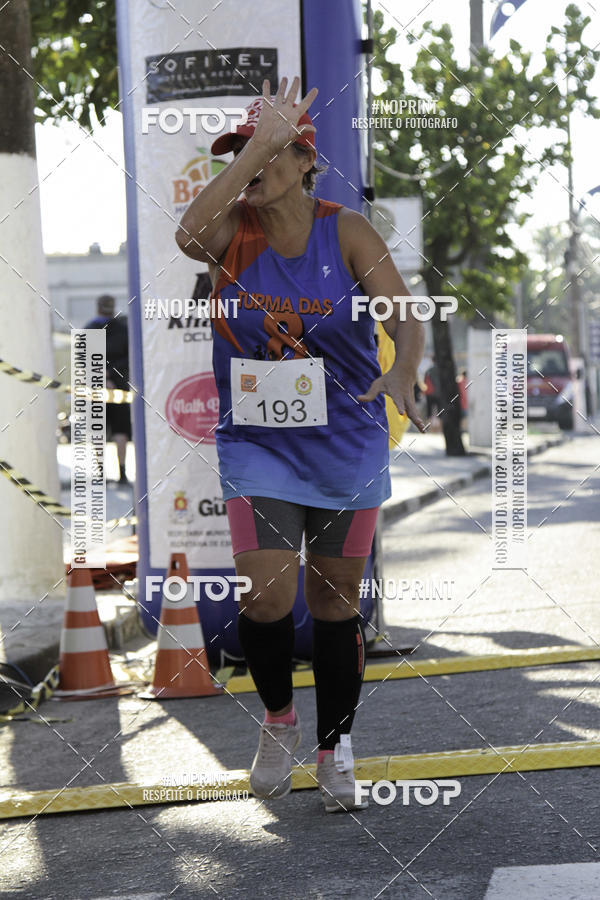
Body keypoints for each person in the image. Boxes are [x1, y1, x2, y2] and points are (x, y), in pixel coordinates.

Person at [176, 77, 425, 812]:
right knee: (266, 595)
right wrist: (256, 143)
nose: (254, 170)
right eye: (243, 155)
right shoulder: (230, 234)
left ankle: (336, 745)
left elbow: (405, 319)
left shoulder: (344, 231)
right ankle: (279, 721)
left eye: (271, 155)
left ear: (305, 159)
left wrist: (404, 368)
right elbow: (186, 234)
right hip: (258, 444)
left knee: (335, 600)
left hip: (347, 439)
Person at [85, 294, 131, 484]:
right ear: (113, 308)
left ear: (98, 307)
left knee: (98, 429)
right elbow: (130, 357)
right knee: (121, 430)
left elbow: (83, 359)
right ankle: (122, 473)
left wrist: (101, 376)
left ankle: (100, 473)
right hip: (119, 387)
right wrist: (111, 374)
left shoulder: (88, 329)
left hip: (96, 385)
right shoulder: (122, 329)